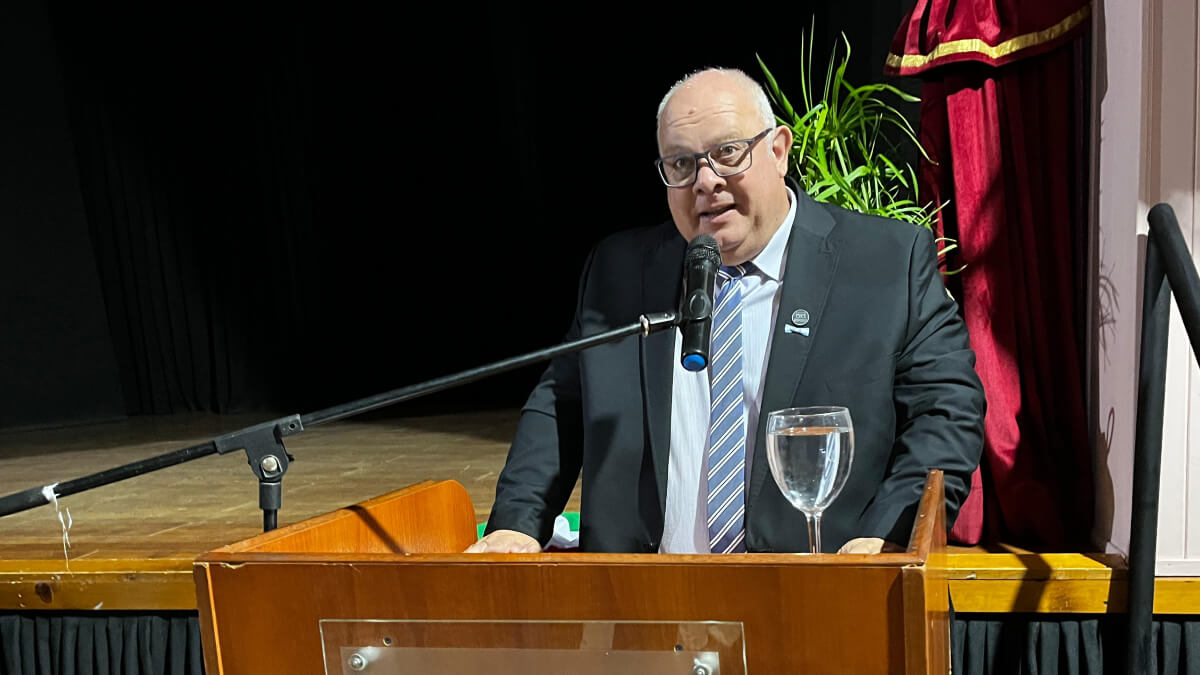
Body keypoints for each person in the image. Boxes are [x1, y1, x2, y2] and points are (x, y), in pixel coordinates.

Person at [467, 68, 985, 554]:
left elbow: (946, 411)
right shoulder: (620, 272)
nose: (705, 181)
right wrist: (516, 522)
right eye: (681, 164)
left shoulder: (884, 262)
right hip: (641, 608)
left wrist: (894, 533)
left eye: (729, 152)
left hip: (819, 598)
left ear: (779, 150)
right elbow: (561, 405)